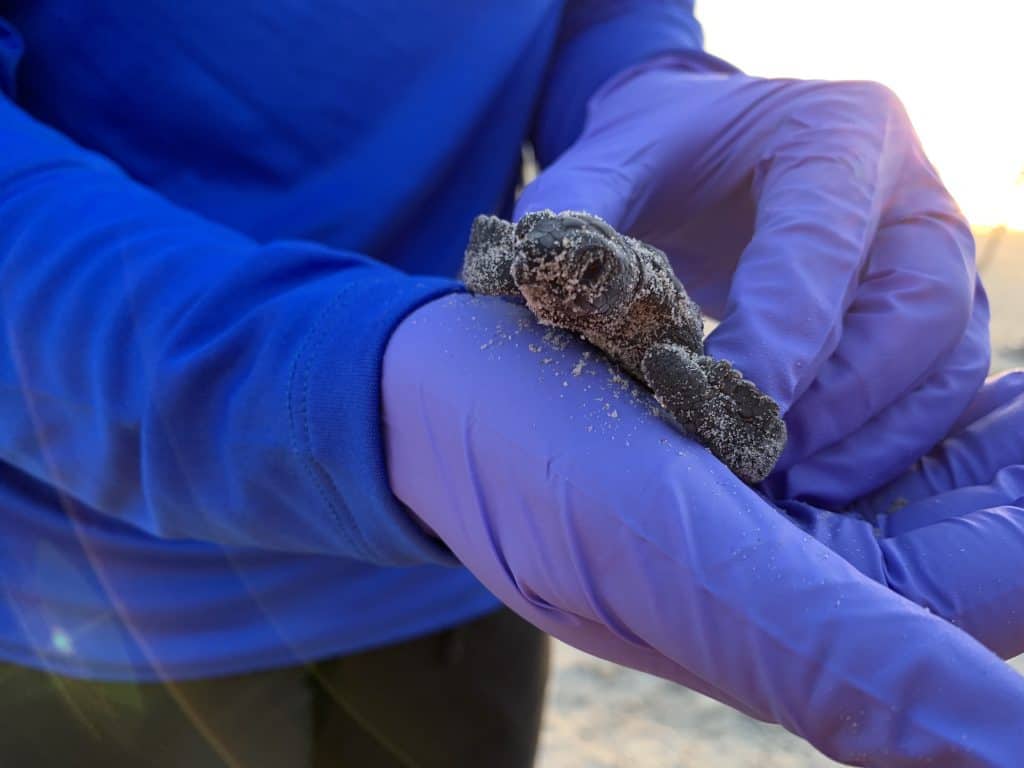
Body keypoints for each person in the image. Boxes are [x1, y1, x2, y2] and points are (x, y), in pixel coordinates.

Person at [0, 2, 1022, 766]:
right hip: (102, 613)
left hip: (472, 578)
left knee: (729, 433)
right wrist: (350, 381)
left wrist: (644, 76)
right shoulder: (519, 270)